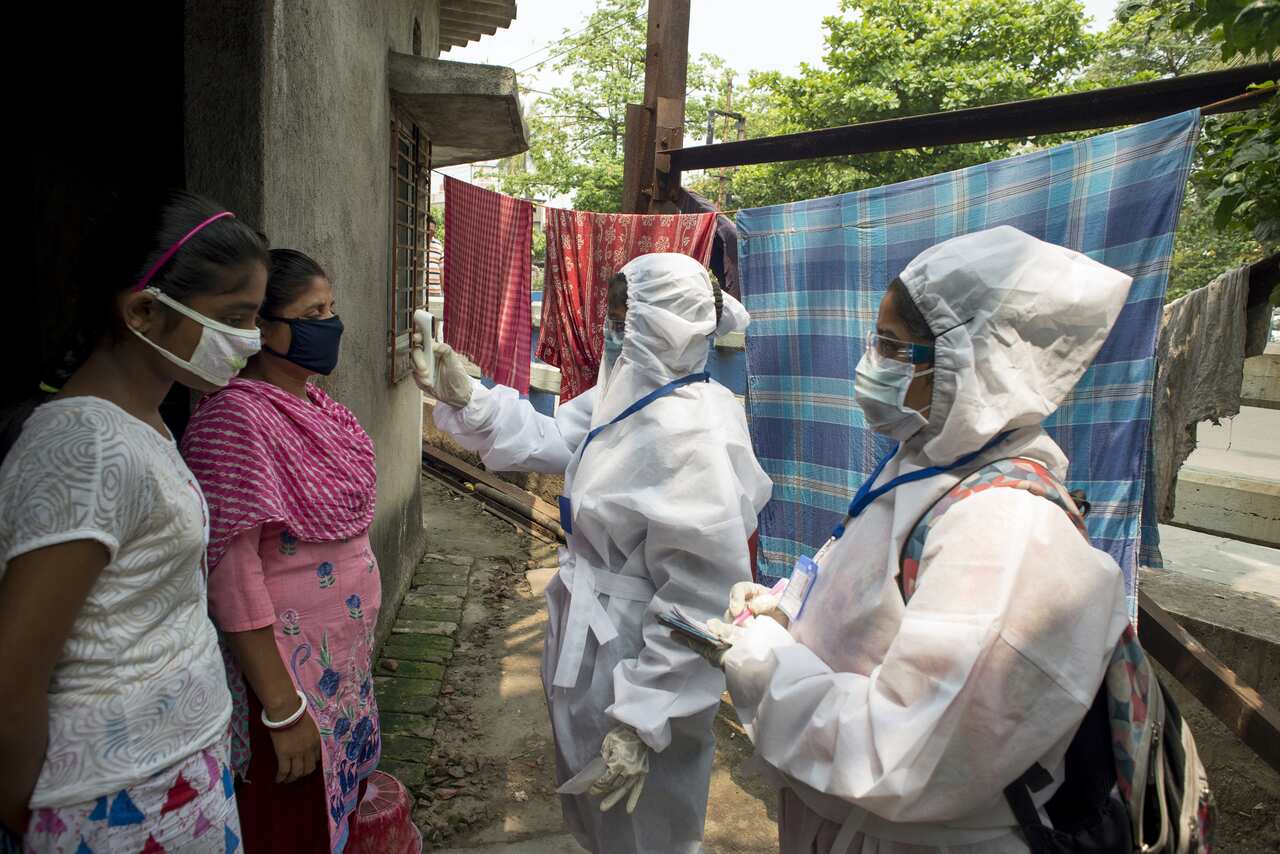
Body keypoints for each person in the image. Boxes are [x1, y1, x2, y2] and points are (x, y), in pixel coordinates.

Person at [711, 226, 1135, 853]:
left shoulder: (1007, 531)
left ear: (973, 361)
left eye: (891, 347)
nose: (869, 364)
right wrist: (787, 612)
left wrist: (763, 660)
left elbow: (904, 753)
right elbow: (881, 615)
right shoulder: (927, 464)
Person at [421, 253, 773, 853]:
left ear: (660, 325)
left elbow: (699, 599)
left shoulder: (694, 433)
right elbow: (554, 434)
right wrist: (470, 399)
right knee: (597, 814)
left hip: (638, 653)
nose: (610, 331)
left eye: (620, 318)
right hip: (592, 634)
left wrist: (644, 718)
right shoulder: (630, 391)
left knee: (647, 826)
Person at [0, 190, 269, 852]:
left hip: (171, 778)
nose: (250, 339)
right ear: (144, 312)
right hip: (109, 803)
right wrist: (31, 822)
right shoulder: (86, 446)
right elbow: (12, 676)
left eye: (255, 317)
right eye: (234, 318)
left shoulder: (143, 420)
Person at [180, 249, 381, 853]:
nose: (330, 324)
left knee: (336, 816)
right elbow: (230, 573)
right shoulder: (233, 420)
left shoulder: (323, 409)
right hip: (284, 683)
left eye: (331, 309)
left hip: (339, 670)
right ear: (263, 329)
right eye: (312, 313)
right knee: (291, 825)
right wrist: (282, 709)